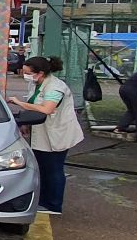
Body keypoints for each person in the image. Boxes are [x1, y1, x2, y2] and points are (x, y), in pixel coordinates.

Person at [8, 56, 84, 216]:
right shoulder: (37, 83)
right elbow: (34, 105)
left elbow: (46, 109)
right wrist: (27, 124)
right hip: (42, 133)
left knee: (54, 169)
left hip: (58, 134)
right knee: (42, 168)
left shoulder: (56, 87)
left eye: (28, 72)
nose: (25, 74)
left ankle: (54, 204)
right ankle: (42, 201)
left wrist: (18, 103)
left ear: (40, 73)